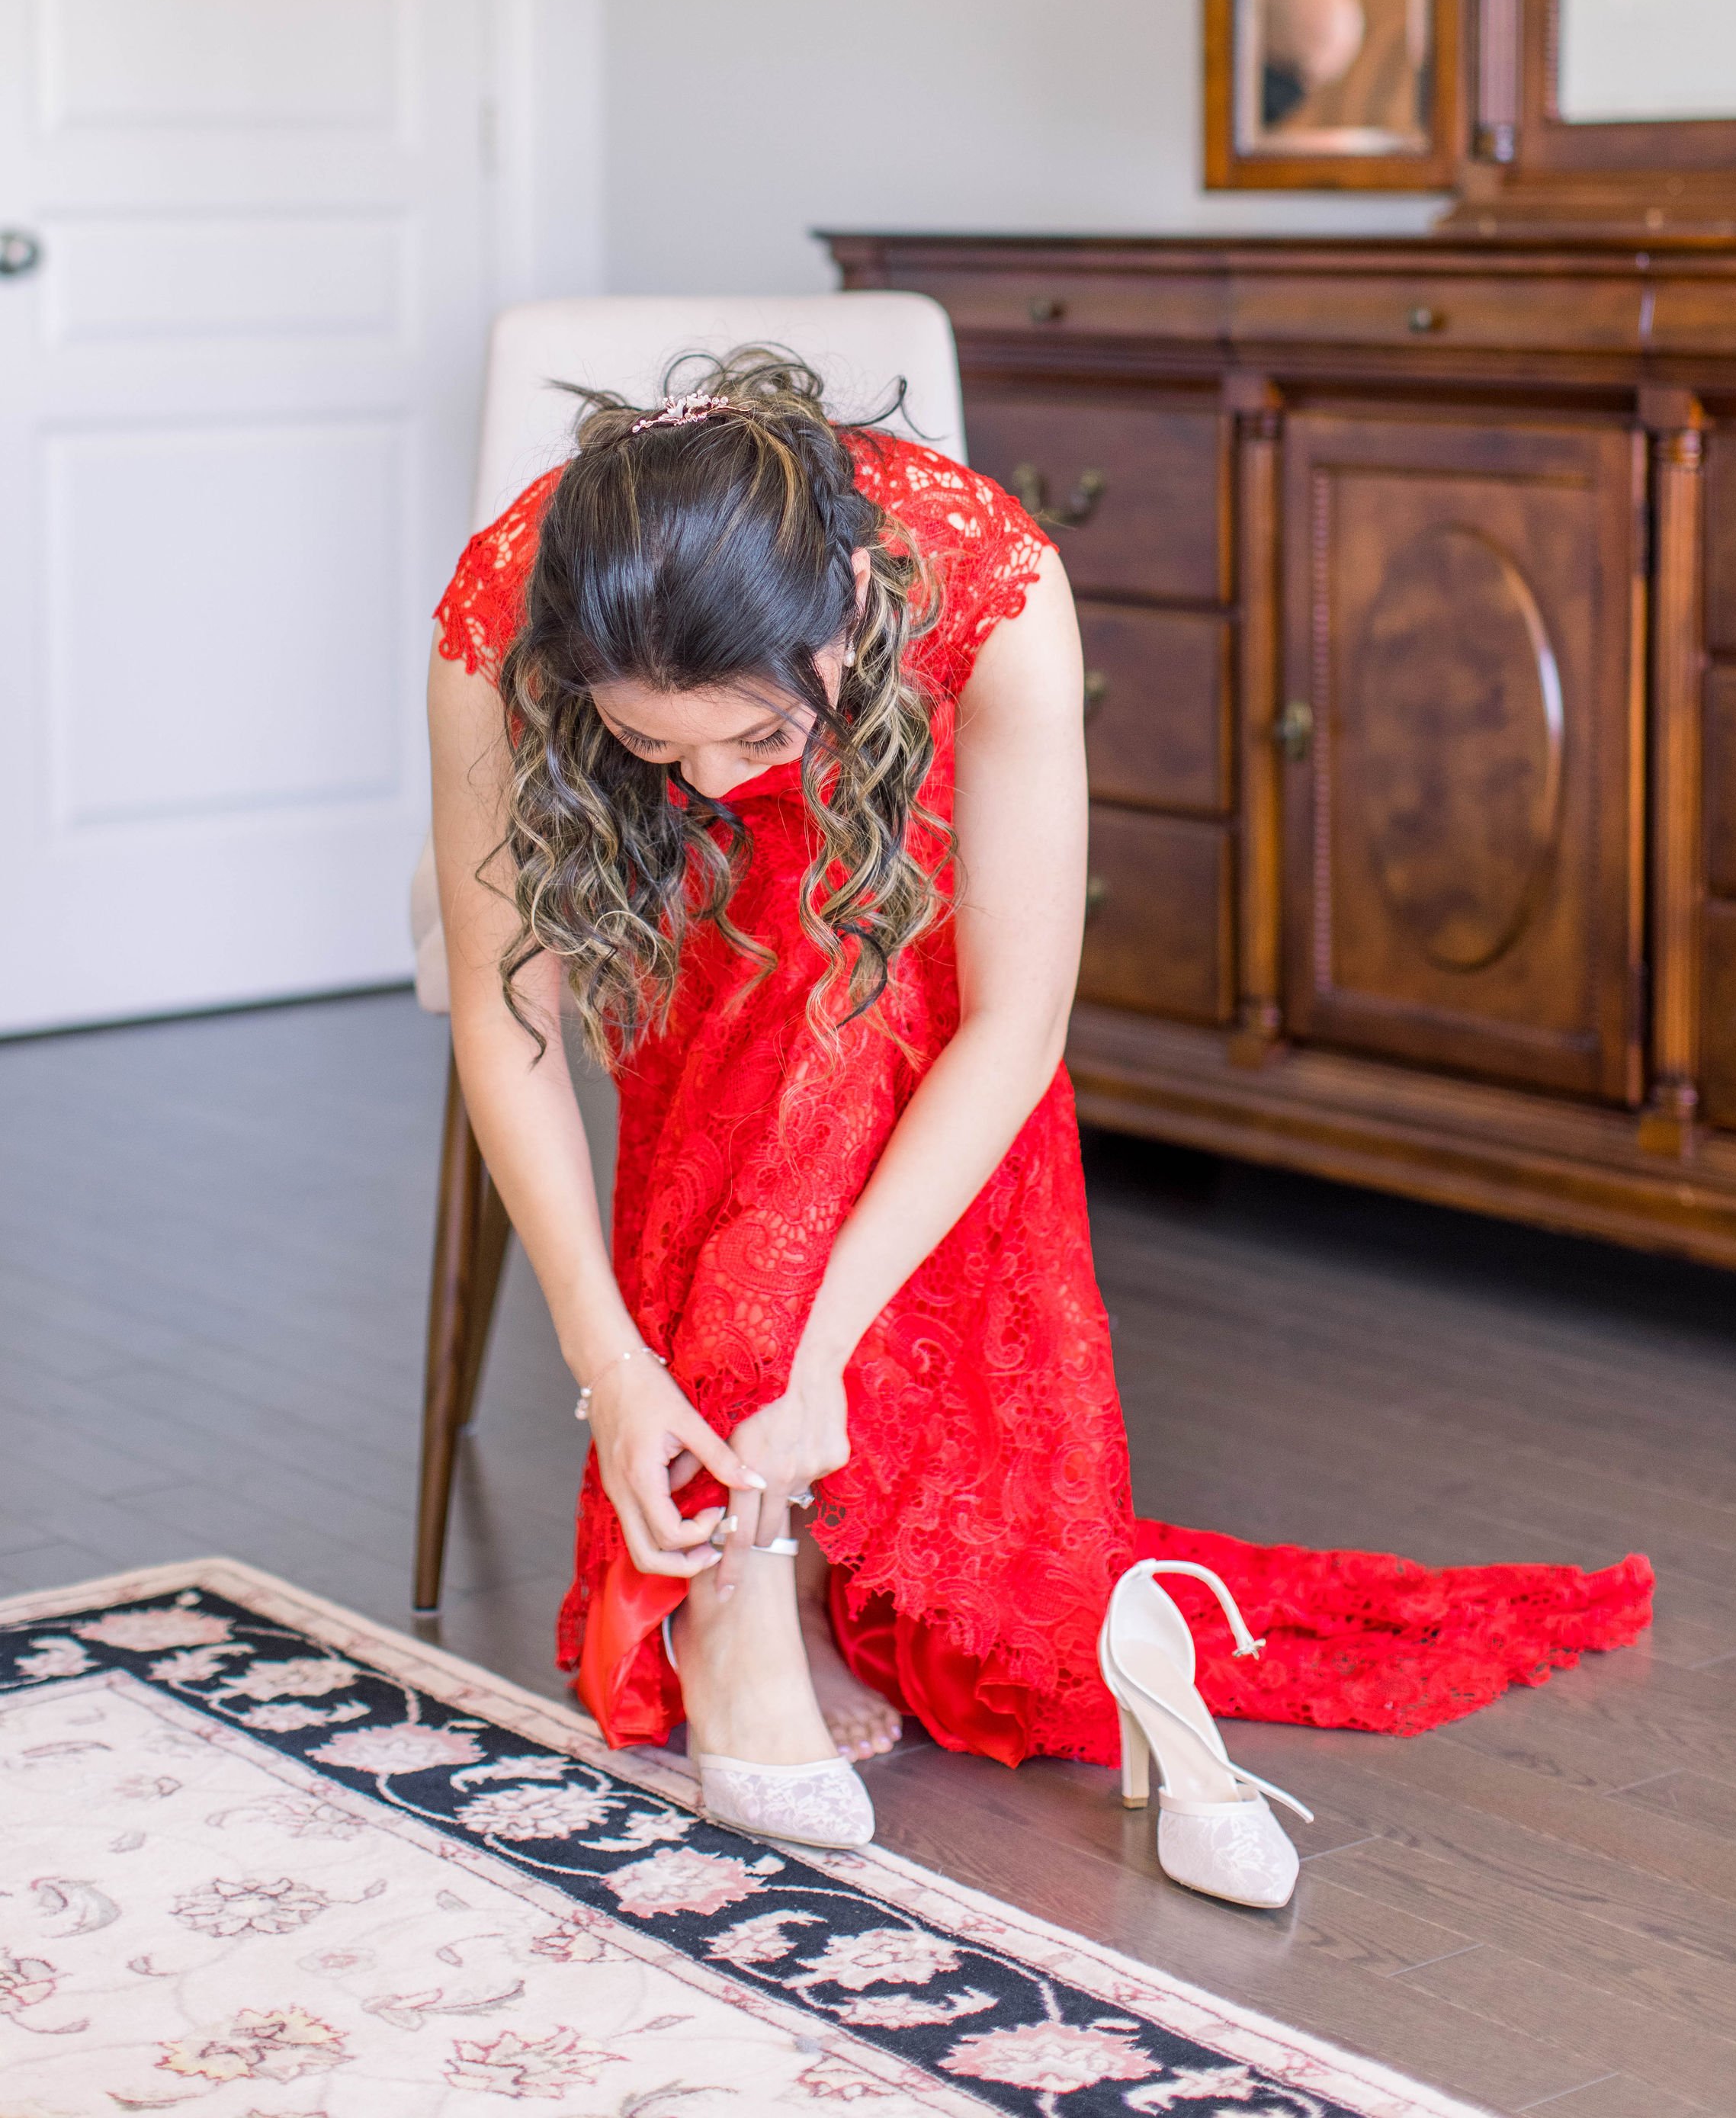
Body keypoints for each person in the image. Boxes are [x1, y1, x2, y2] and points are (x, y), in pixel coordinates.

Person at [428, 349, 1653, 1892]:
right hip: (689, 952)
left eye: (753, 738)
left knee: (844, 999)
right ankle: (753, 1571)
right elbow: (508, 1008)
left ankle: (753, 1559)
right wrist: (607, 1368)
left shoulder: (989, 581)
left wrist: (818, 1361)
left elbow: (1018, 1021)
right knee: (769, 996)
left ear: (852, 616)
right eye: (660, 748)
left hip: (912, 913)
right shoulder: (510, 610)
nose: (723, 783)